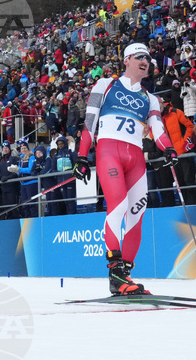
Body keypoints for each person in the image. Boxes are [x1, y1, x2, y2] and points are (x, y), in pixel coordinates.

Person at [73, 43, 172, 295]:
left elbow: (157, 128)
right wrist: (82, 156)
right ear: (127, 60)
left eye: (148, 58)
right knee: (117, 205)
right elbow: (90, 122)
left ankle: (124, 275)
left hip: (135, 158)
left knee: (137, 214)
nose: (146, 61)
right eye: (140, 57)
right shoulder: (105, 85)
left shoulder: (151, 99)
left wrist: (169, 149)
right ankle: (115, 272)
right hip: (109, 153)